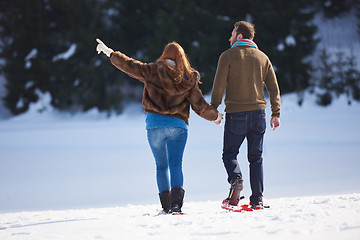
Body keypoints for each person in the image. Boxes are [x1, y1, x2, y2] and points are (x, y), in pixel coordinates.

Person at [96, 39, 223, 214]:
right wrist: (215, 116)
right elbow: (199, 106)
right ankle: (177, 206)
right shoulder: (187, 77)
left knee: (161, 166)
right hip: (178, 127)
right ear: (182, 58)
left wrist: (109, 52)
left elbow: (128, 65)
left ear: (165, 55)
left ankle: (166, 207)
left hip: (154, 126)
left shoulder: (151, 70)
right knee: (176, 165)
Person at [210, 21, 281, 209]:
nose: (229, 37)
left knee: (229, 154)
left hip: (236, 114)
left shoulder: (227, 56)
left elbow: (219, 86)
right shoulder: (263, 57)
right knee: (256, 158)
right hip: (259, 115)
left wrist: (213, 109)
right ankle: (257, 200)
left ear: (239, 36)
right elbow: (274, 89)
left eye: (232, 33)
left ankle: (236, 180)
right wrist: (276, 113)